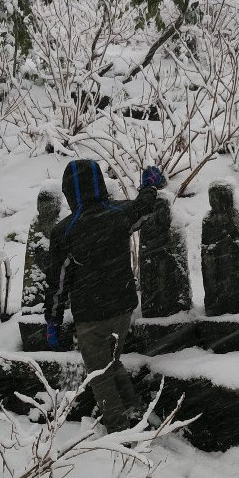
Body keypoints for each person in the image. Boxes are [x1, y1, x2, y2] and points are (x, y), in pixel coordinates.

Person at [44, 159, 165, 432]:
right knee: (112, 362)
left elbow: (58, 282)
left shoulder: (65, 231)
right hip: (122, 308)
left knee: (99, 377)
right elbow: (144, 208)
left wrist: (53, 320)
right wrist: (149, 185)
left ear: (68, 192)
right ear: (99, 184)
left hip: (91, 316)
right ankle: (135, 413)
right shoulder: (118, 213)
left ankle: (119, 431)